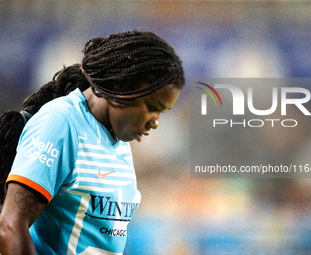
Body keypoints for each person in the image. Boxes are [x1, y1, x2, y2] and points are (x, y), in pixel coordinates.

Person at [0, 30, 185, 254]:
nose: (155, 122)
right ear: (120, 86)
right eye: (152, 107)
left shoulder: (119, 139)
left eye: (162, 112)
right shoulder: (62, 123)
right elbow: (10, 227)